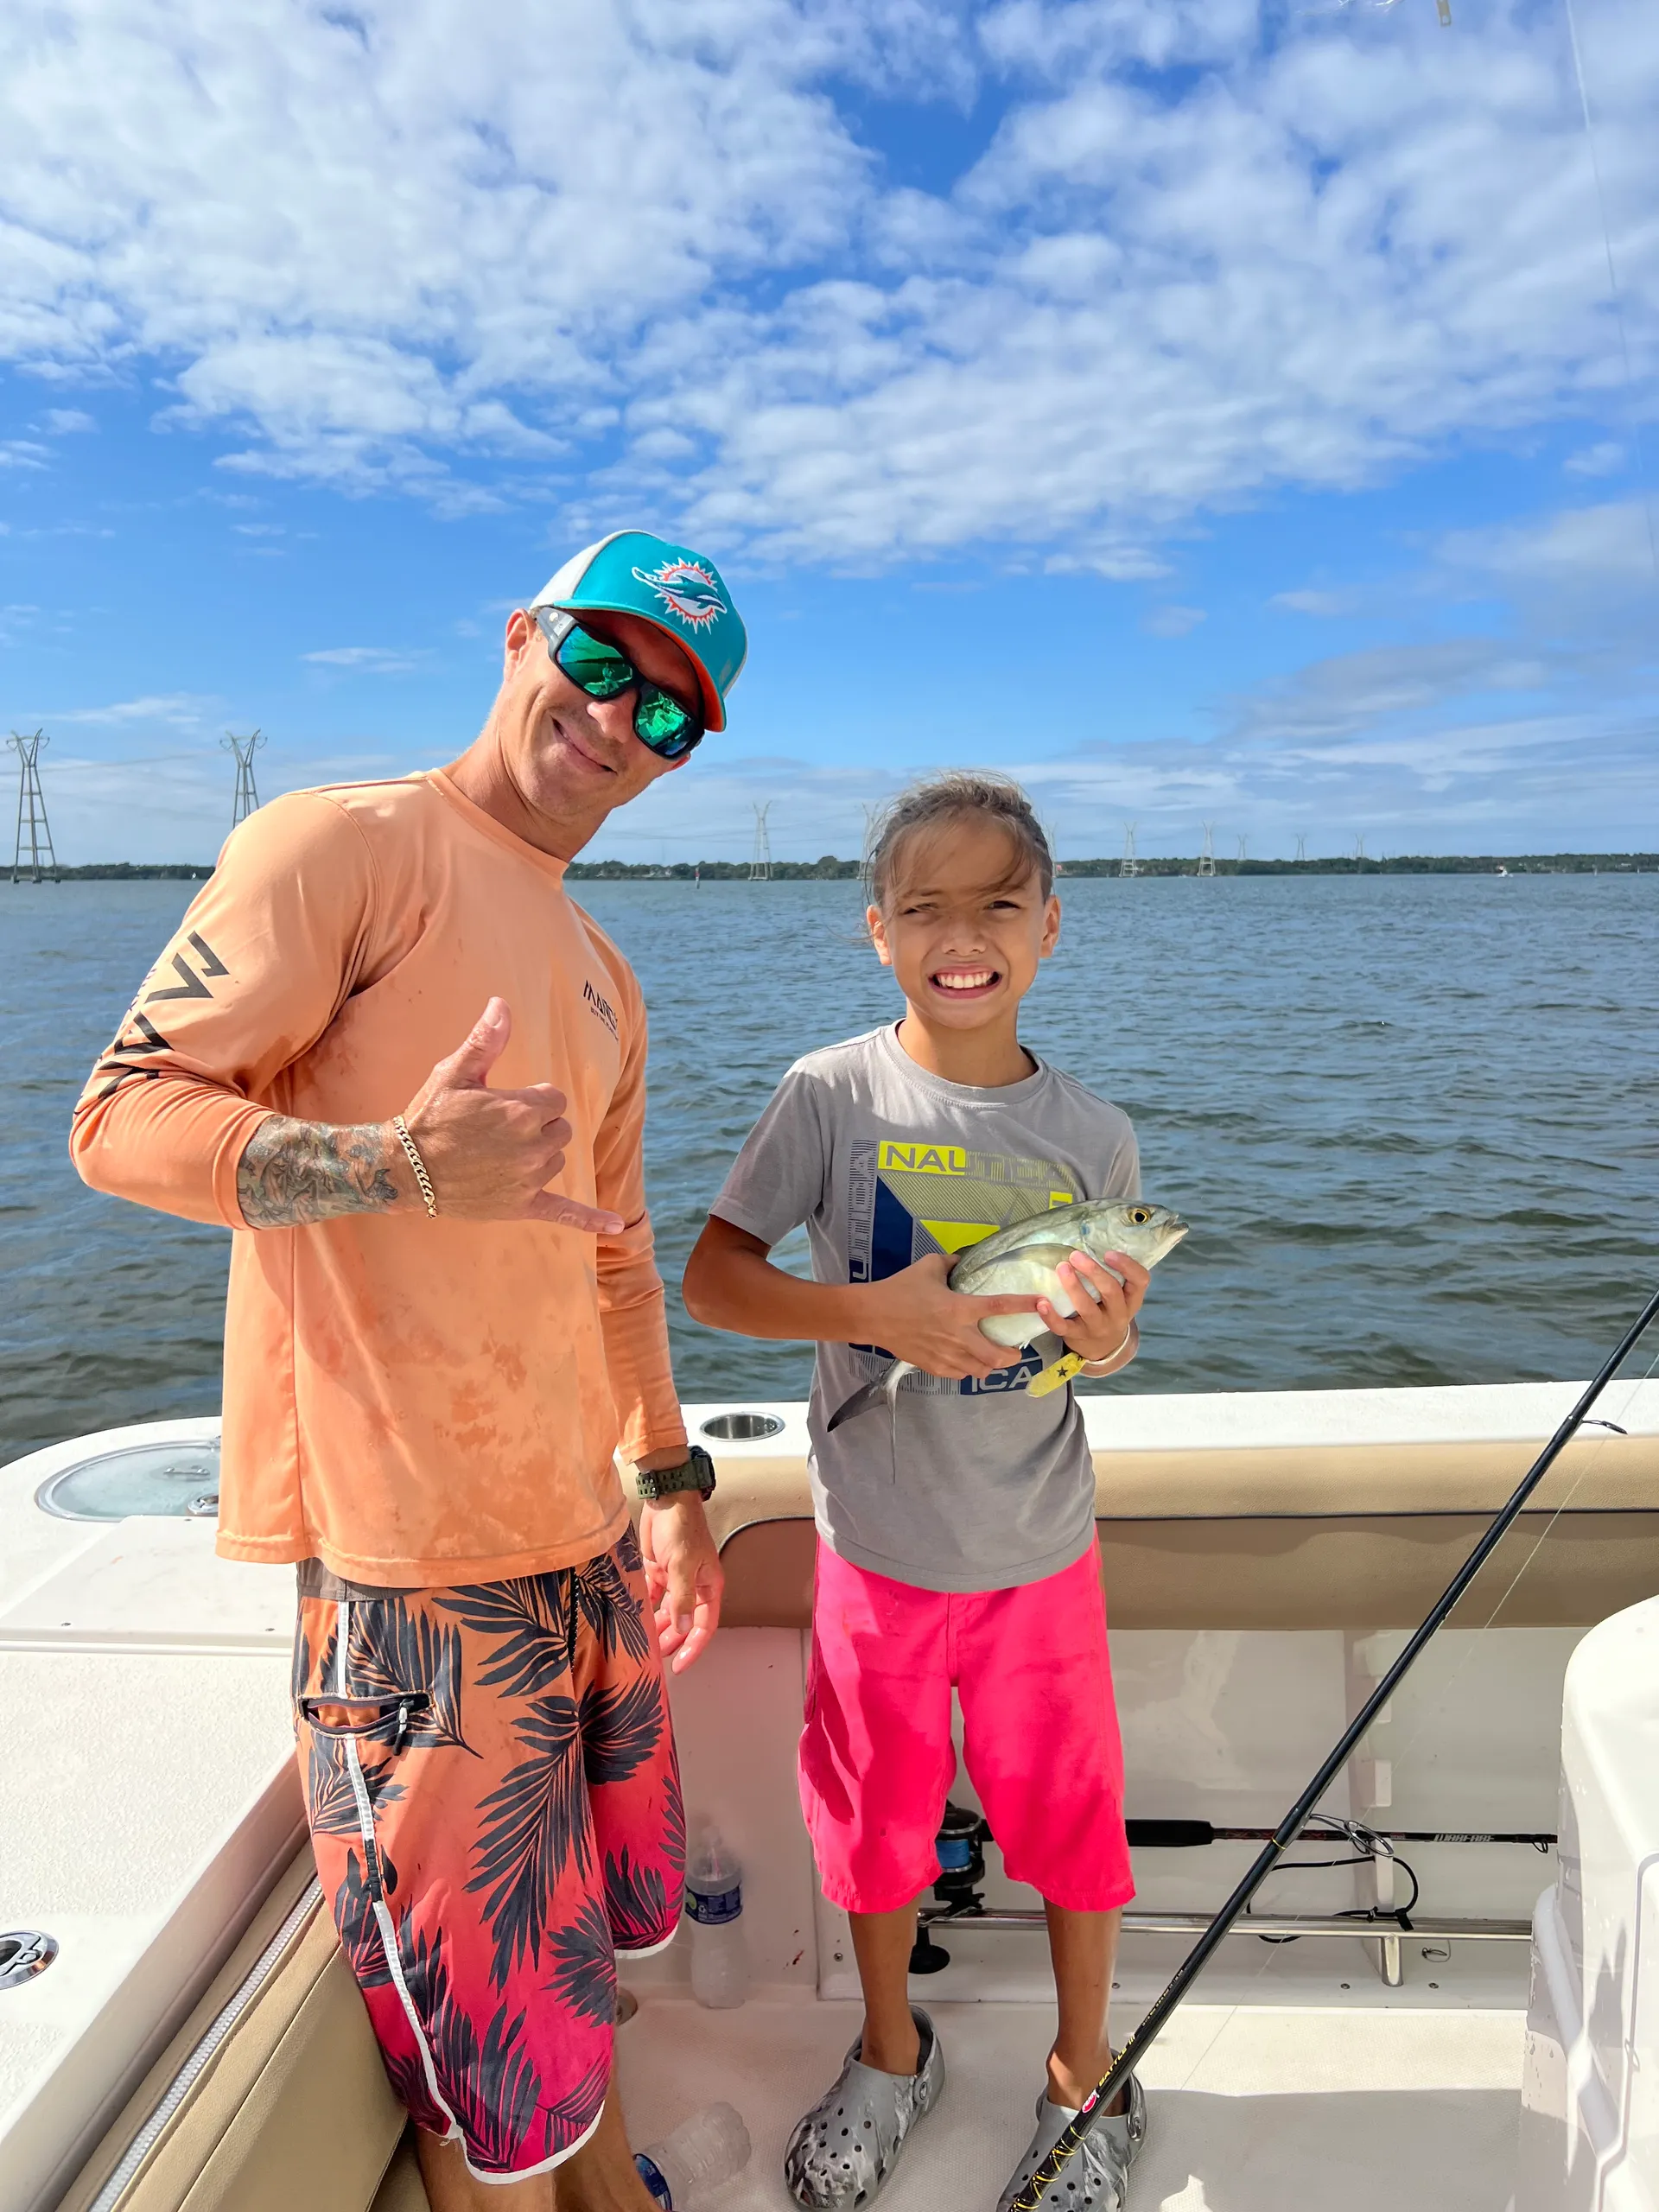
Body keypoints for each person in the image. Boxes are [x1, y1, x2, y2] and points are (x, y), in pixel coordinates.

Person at [70, 530, 747, 2212]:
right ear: (522, 634)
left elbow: (613, 1255)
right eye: (600, 663)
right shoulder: (343, 845)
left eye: (669, 713)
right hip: (412, 1593)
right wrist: (392, 1165)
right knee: (488, 2084)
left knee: (591, 1968)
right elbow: (120, 1117)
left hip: (580, 1546)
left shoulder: (605, 969)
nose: (618, 721)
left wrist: (669, 1485)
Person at [683, 772, 1156, 2212]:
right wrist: (878, 1317)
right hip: (878, 1552)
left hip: (1037, 1549)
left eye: (999, 904)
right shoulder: (830, 1094)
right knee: (875, 1824)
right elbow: (714, 1279)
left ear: (1053, 928)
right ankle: (892, 2051)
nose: (966, 935)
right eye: (928, 908)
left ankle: (1085, 2074)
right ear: (874, 931)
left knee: (1073, 1823)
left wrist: (1109, 1336)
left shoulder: (1097, 1136)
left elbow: (1104, 1336)